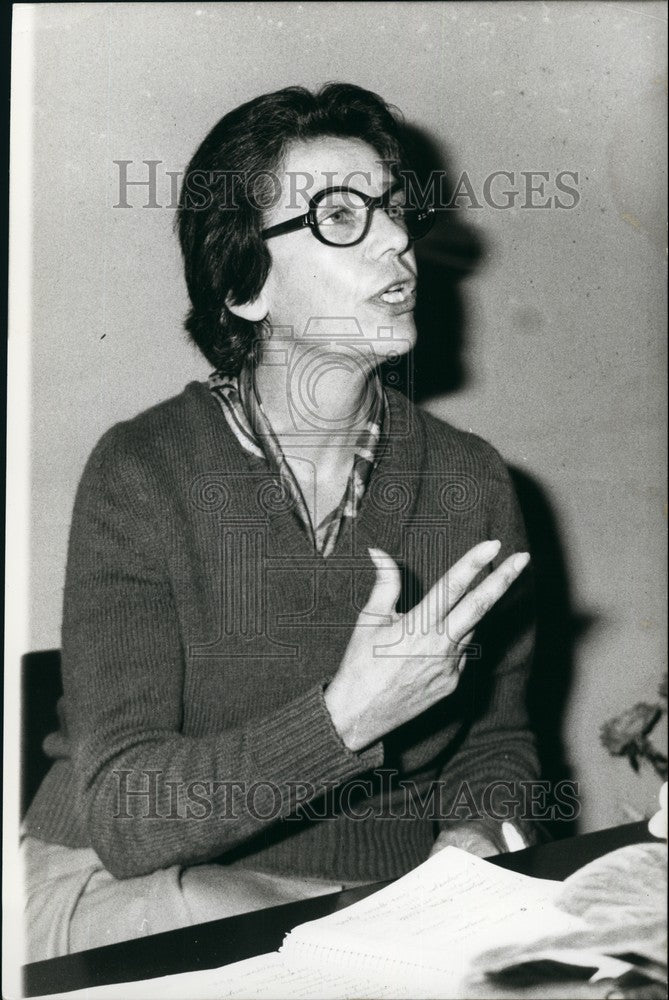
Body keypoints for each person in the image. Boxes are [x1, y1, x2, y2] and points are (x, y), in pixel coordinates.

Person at [21, 83, 539, 961]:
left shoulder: (470, 479)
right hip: (118, 886)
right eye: (339, 217)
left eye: (392, 207)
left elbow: (496, 742)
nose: (395, 239)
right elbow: (124, 812)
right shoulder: (142, 470)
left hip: (363, 908)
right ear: (245, 288)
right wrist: (345, 719)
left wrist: (478, 840)